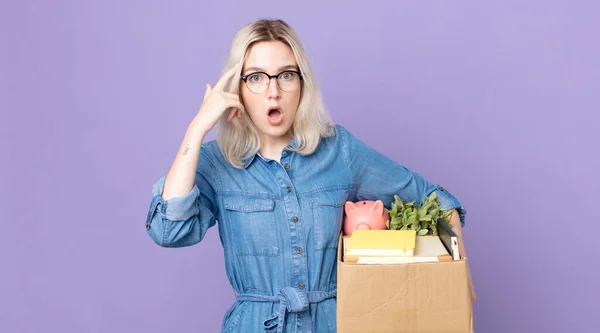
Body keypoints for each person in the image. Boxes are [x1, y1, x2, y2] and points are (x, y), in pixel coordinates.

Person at [144, 19, 468, 333]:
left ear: (302, 83)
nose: (273, 91)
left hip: (334, 323)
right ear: (238, 89)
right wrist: (196, 129)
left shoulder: (338, 149)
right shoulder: (216, 162)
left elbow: (433, 198)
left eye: (285, 75)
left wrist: (460, 279)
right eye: (256, 77)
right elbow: (167, 230)